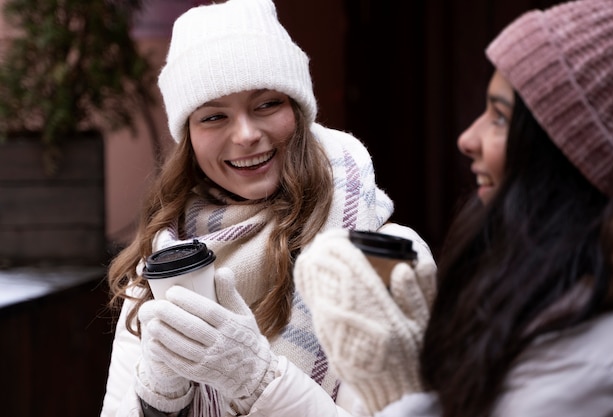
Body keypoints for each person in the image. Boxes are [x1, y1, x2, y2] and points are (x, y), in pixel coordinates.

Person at [99, 0, 434, 416]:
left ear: (298, 109)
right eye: (214, 117)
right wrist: (160, 401)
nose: (245, 134)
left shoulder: (385, 258)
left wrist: (257, 381)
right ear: (189, 138)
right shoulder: (160, 269)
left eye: (266, 104)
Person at [294, 0, 613, 416]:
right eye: (213, 117)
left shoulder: (596, 366)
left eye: (501, 118)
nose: (468, 138)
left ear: (577, 152)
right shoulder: (549, 278)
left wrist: (396, 386)